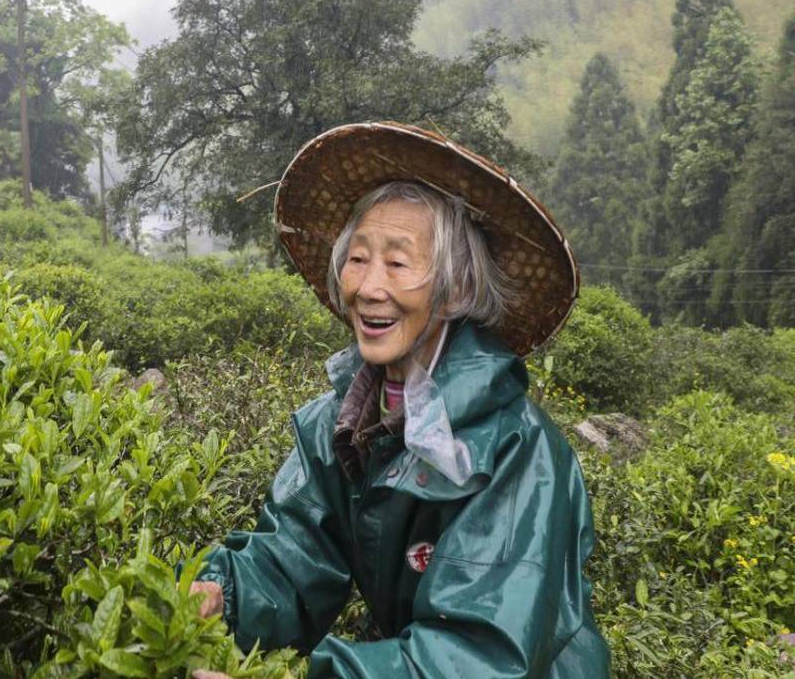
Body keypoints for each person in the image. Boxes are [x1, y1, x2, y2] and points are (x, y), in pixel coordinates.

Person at [190, 122, 610, 678]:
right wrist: (221, 595)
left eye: (398, 261)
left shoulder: (516, 448)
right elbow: (293, 559)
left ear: (457, 289)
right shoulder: (337, 425)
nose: (368, 287)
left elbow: (481, 656)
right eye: (358, 258)